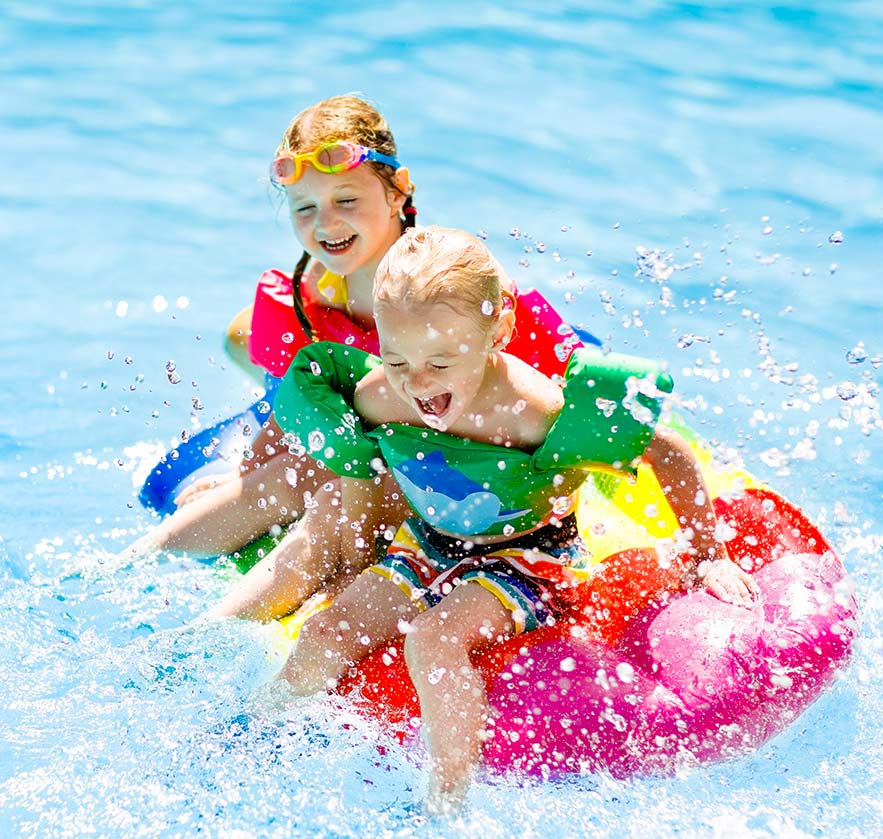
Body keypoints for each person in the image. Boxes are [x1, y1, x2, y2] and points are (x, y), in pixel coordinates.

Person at [271, 226, 758, 812]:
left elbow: (668, 454)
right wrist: (354, 556)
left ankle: (445, 802)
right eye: (396, 357)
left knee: (433, 641)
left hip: (527, 555)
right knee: (327, 631)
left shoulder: (532, 410)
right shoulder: (380, 395)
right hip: (425, 542)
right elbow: (366, 468)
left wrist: (707, 556)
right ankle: (257, 744)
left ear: (497, 332)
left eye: (440, 361)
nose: (417, 383)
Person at [124, 95, 584, 624]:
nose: (326, 223)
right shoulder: (310, 298)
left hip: (445, 467)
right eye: (305, 208)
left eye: (346, 200)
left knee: (325, 496)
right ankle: (131, 567)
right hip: (367, 445)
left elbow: (576, 379)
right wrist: (243, 473)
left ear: (398, 190)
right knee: (291, 464)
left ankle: (218, 630)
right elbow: (299, 405)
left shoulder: (453, 291)